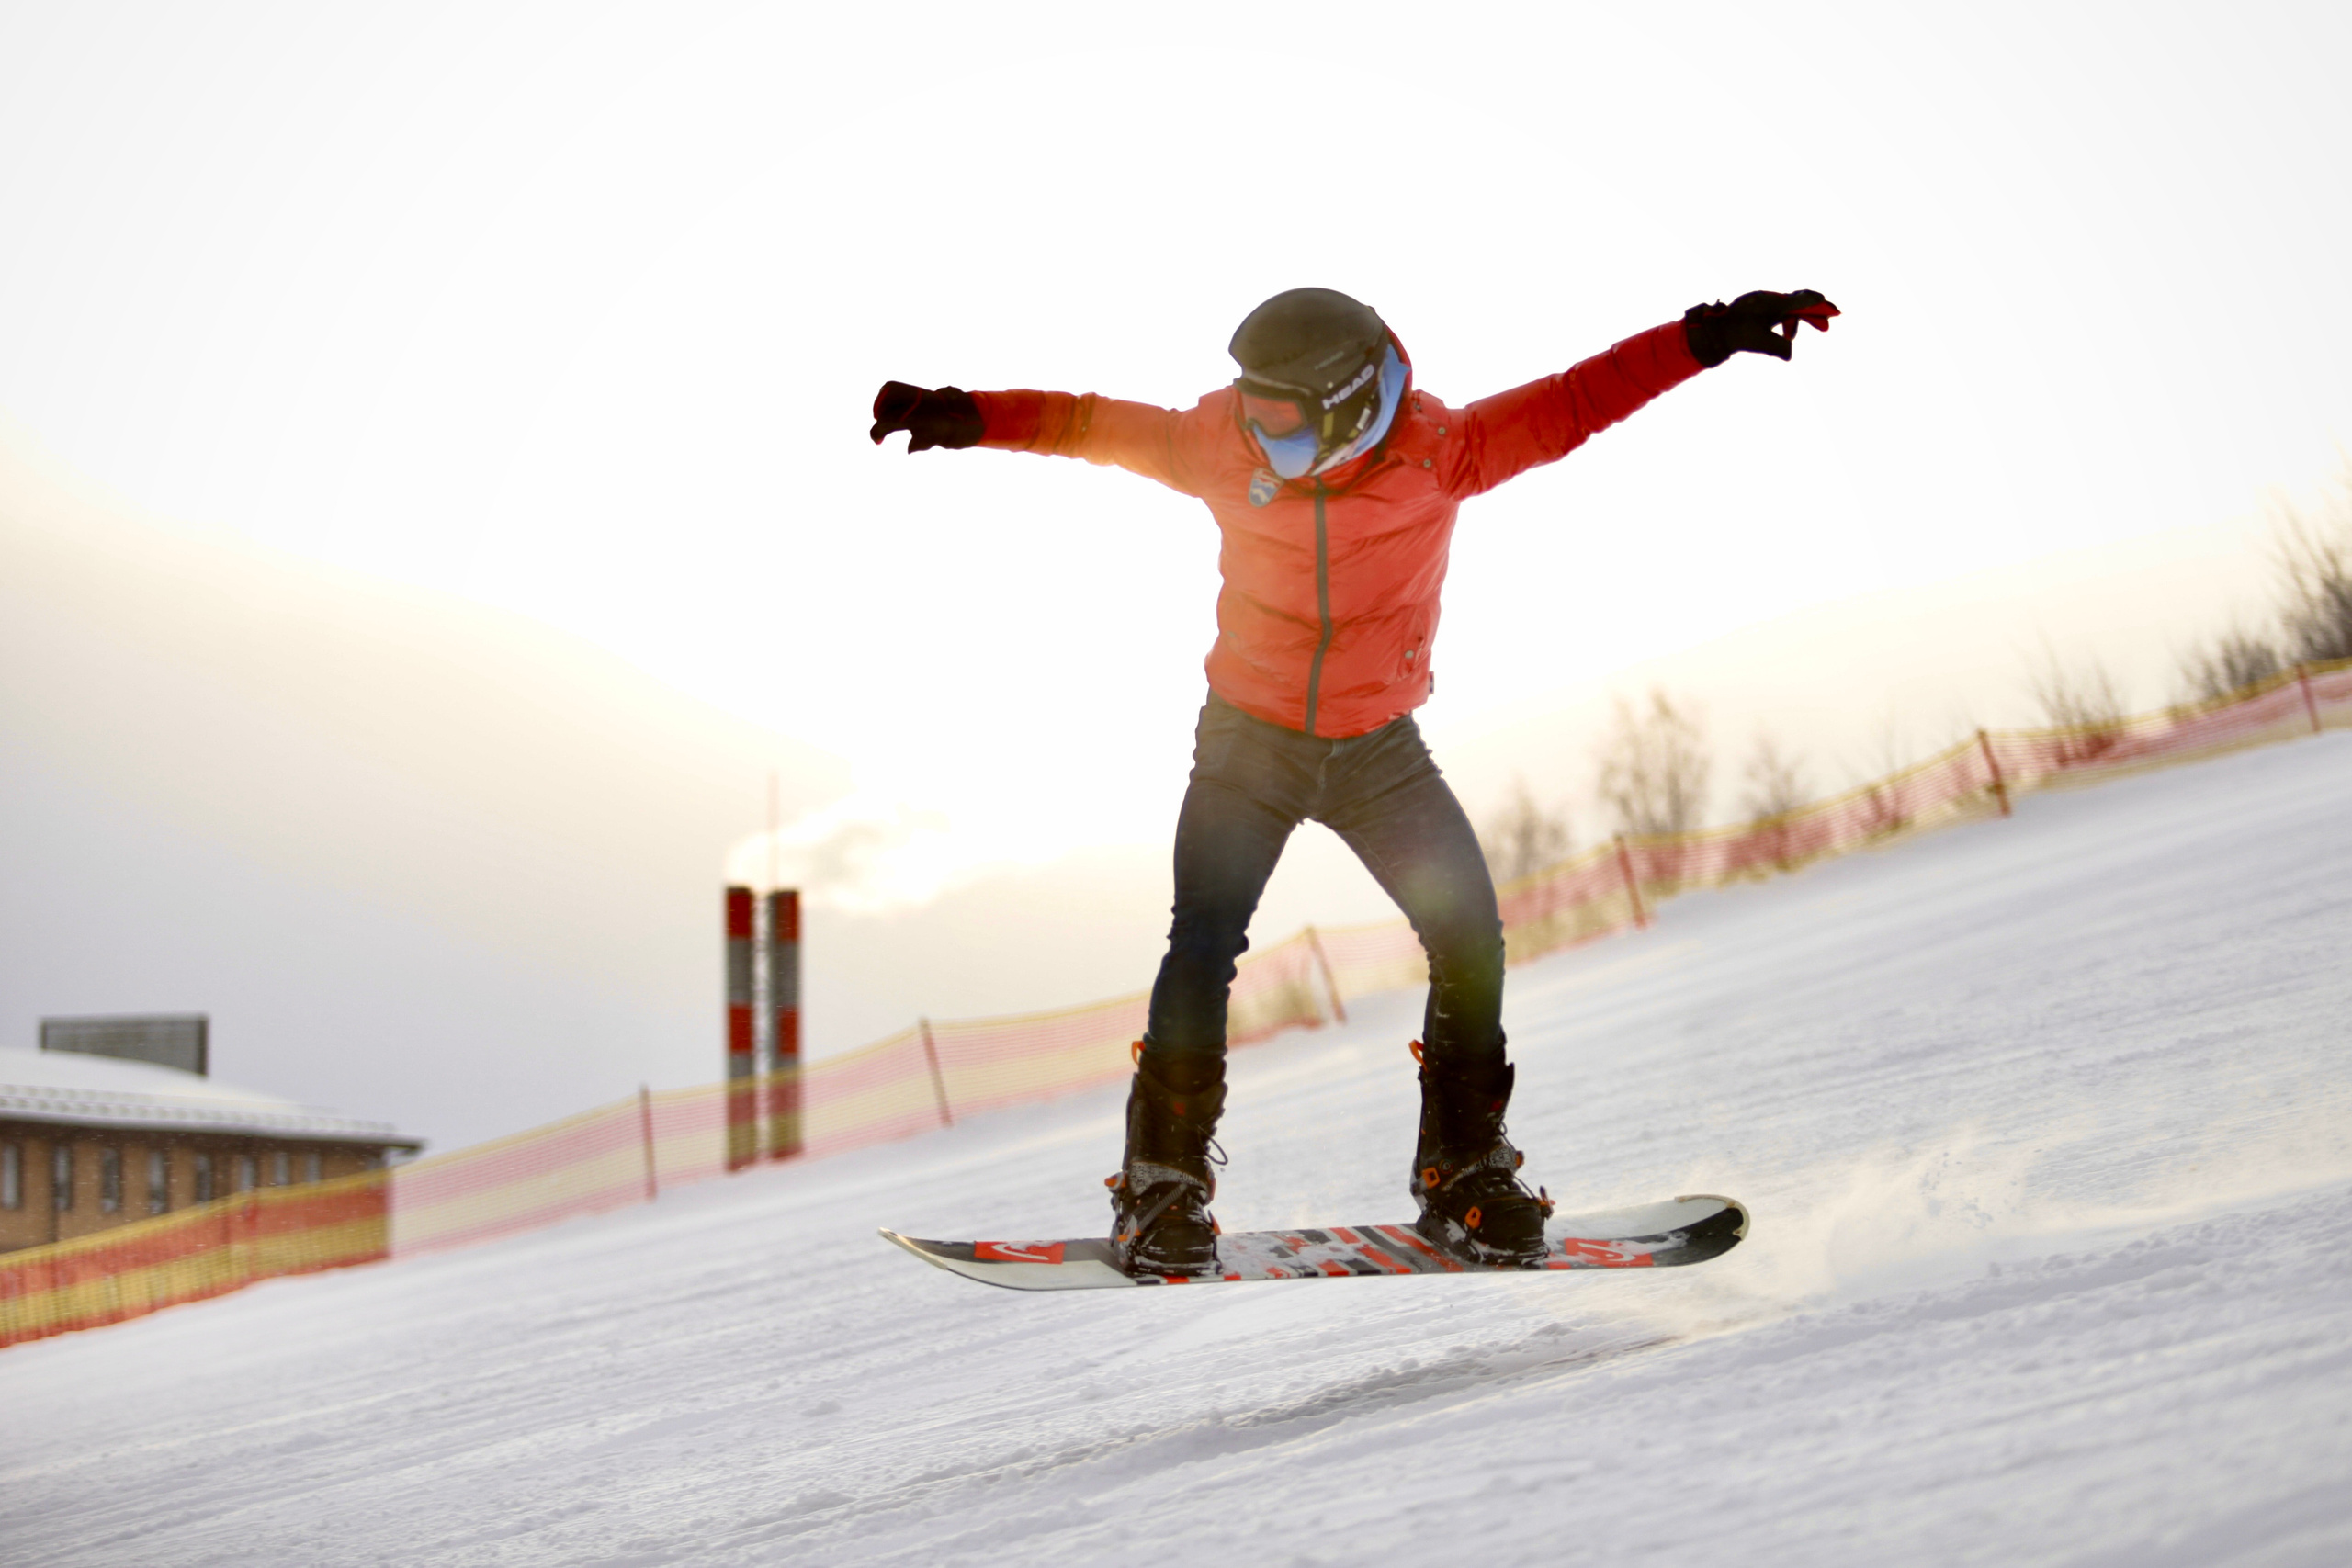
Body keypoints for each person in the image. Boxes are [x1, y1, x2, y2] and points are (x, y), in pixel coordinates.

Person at [870, 285, 1837, 1274]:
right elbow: (1089, 425)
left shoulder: (1442, 450)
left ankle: (1463, 1173)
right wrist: (970, 415)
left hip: (1379, 751)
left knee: (1469, 937)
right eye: (1253, 409)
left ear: (1346, 401)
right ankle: (1160, 1188)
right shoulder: (1221, 443)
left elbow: (1578, 398)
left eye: (1280, 416)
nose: (1258, 432)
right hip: (1248, 747)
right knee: (1202, 945)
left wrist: (1702, 336)